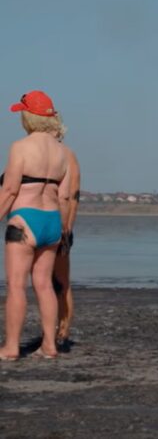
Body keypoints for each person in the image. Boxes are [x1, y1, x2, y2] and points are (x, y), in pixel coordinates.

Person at [0, 90, 70, 360]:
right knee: (44, 284)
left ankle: (11, 347)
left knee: (17, 285)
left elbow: (8, 191)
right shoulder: (63, 152)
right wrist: (63, 230)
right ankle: (50, 346)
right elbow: (64, 196)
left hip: (24, 220)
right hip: (52, 221)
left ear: (28, 117)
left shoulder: (20, 147)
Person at [54, 139, 79, 345]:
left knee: (61, 282)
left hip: (61, 226)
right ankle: (57, 327)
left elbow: (73, 195)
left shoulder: (67, 155)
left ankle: (63, 328)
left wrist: (67, 227)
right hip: (48, 221)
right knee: (49, 282)